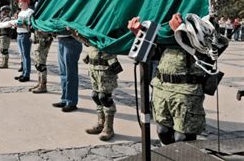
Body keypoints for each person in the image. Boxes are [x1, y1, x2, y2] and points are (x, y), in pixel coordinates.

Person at [128, 14, 206, 145]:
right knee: (162, 131)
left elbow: (209, 50)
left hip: (185, 90)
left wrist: (180, 31)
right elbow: (153, 54)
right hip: (162, 88)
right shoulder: (164, 30)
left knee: (183, 138)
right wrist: (140, 35)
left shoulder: (199, 24)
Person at [70, 28, 121, 141]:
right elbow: (88, 42)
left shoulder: (107, 25)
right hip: (94, 68)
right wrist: (75, 33)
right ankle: (100, 123)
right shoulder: (93, 27)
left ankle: (109, 128)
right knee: (96, 96)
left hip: (105, 68)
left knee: (105, 97)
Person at [52, 31, 83, 112]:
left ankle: (71, 102)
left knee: (70, 73)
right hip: (61, 39)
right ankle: (64, 99)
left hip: (72, 40)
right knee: (63, 73)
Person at [14, 0, 35, 82]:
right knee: (22, 55)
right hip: (19, 33)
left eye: (20, 2)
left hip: (25, 34)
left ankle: (27, 75)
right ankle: (23, 73)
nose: (19, 3)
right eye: (19, 2)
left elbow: (30, 24)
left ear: (26, 2)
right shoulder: (21, 12)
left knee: (26, 55)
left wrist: (21, 24)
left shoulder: (30, 12)